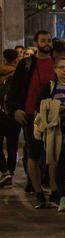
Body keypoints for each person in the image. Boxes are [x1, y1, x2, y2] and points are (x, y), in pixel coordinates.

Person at [7, 30, 55, 208]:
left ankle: (54, 190)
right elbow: (15, 89)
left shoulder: (57, 63)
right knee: (33, 154)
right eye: (43, 40)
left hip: (53, 117)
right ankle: (38, 192)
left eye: (49, 40)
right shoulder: (26, 64)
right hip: (31, 116)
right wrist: (15, 110)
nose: (46, 43)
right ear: (36, 43)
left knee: (52, 155)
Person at [35, 56, 65, 211]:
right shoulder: (50, 87)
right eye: (61, 67)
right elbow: (40, 106)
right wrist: (56, 108)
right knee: (58, 161)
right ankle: (61, 196)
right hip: (56, 130)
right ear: (55, 70)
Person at [0, 49, 20, 186]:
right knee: (13, 146)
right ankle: (10, 172)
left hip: (1, 114)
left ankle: (5, 170)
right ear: (15, 59)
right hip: (13, 115)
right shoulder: (18, 74)